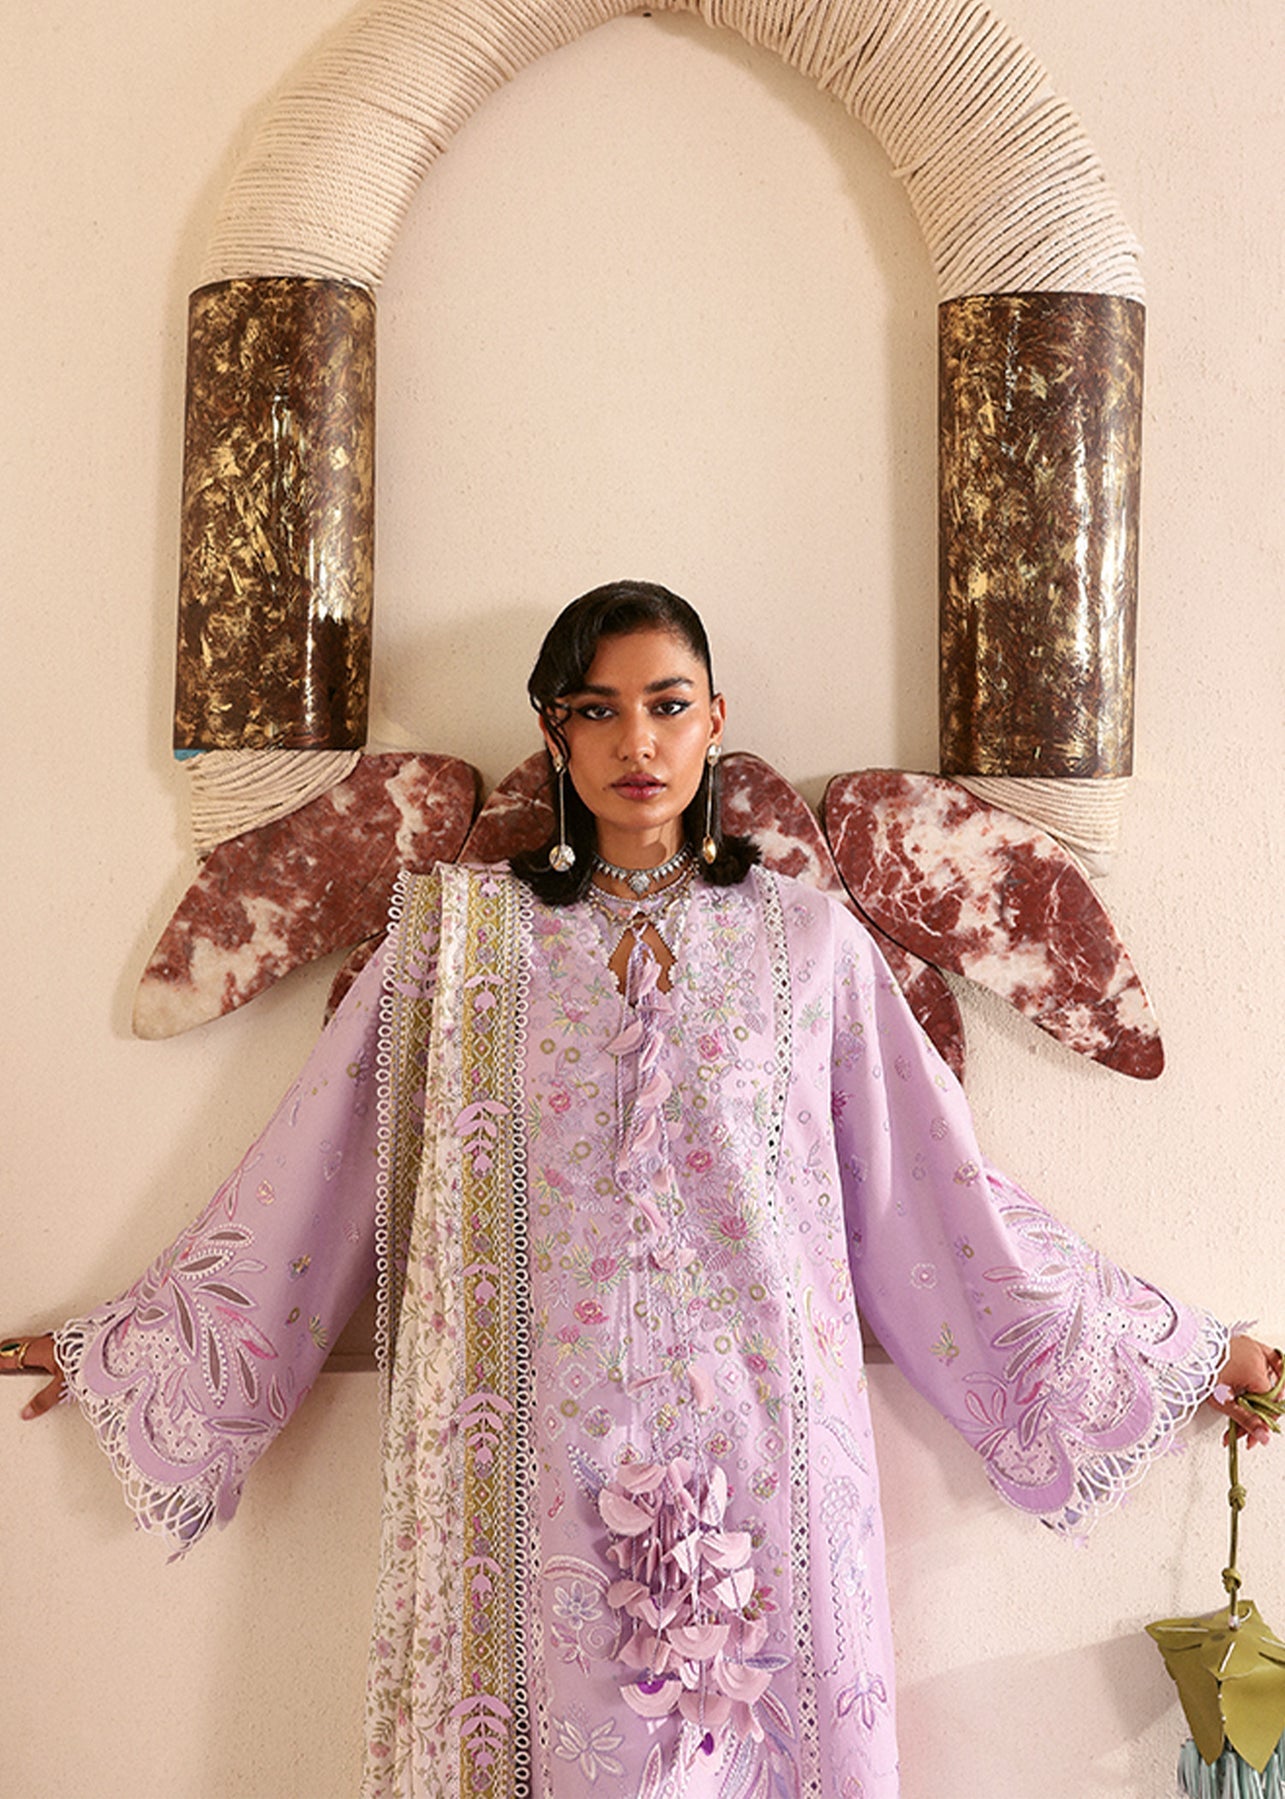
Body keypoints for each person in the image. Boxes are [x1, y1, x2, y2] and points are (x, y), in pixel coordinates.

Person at [3, 580, 1279, 1799]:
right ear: (552, 730)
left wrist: (1178, 1350)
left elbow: (934, 1198)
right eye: (598, 708)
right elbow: (313, 1171)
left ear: (714, 719)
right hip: (528, 1465)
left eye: (668, 704)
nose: (637, 740)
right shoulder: (456, 943)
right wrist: (139, 1344)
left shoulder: (809, 945)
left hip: (766, 1458)